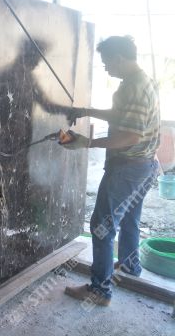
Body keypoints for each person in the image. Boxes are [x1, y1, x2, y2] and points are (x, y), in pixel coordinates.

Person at [59, 35, 160, 306]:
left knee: (101, 227)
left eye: (106, 63)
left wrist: (88, 143)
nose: (105, 68)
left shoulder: (133, 87)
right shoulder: (140, 81)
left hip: (128, 168)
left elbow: (130, 136)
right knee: (129, 218)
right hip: (145, 166)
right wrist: (86, 110)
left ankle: (100, 291)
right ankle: (129, 266)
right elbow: (121, 115)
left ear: (119, 58)